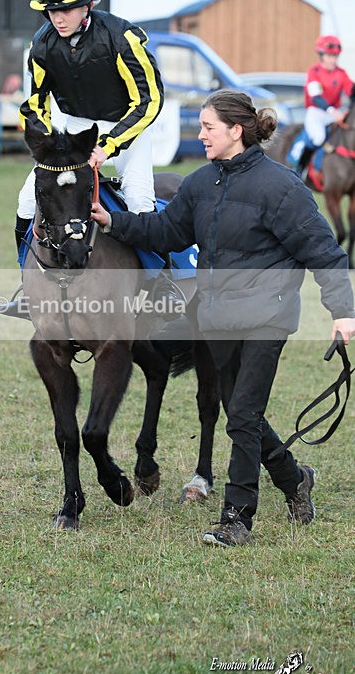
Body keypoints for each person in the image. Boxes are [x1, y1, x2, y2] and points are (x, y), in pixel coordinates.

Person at [90, 89, 355, 548]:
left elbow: (325, 251)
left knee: (243, 414)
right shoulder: (200, 183)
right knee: (239, 410)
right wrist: (114, 224)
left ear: (236, 131)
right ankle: (295, 480)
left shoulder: (282, 186)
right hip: (218, 315)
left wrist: (344, 312)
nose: (201, 134)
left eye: (208, 127)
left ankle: (237, 517)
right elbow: (166, 231)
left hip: (266, 316)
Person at [6, 0, 178, 318]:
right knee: (26, 201)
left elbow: (150, 100)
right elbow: (35, 104)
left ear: (90, 4)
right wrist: (46, 146)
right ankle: (27, 283)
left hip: (124, 130)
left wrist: (110, 144)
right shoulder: (42, 46)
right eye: (51, 11)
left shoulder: (122, 38)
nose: (58, 18)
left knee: (139, 203)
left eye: (66, 9)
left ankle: (161, 281)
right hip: (72, 133)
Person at [296, 35, 354, 175]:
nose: (332, 60)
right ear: (321, 55)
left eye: (335, 56)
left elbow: (351, 91)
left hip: (335, 113)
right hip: (316, 113)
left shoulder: (341, 73)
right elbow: (316, 98)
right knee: (319, 138)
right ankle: (300, 169)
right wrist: (332, 111)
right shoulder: (313, 72)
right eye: (329, 56)